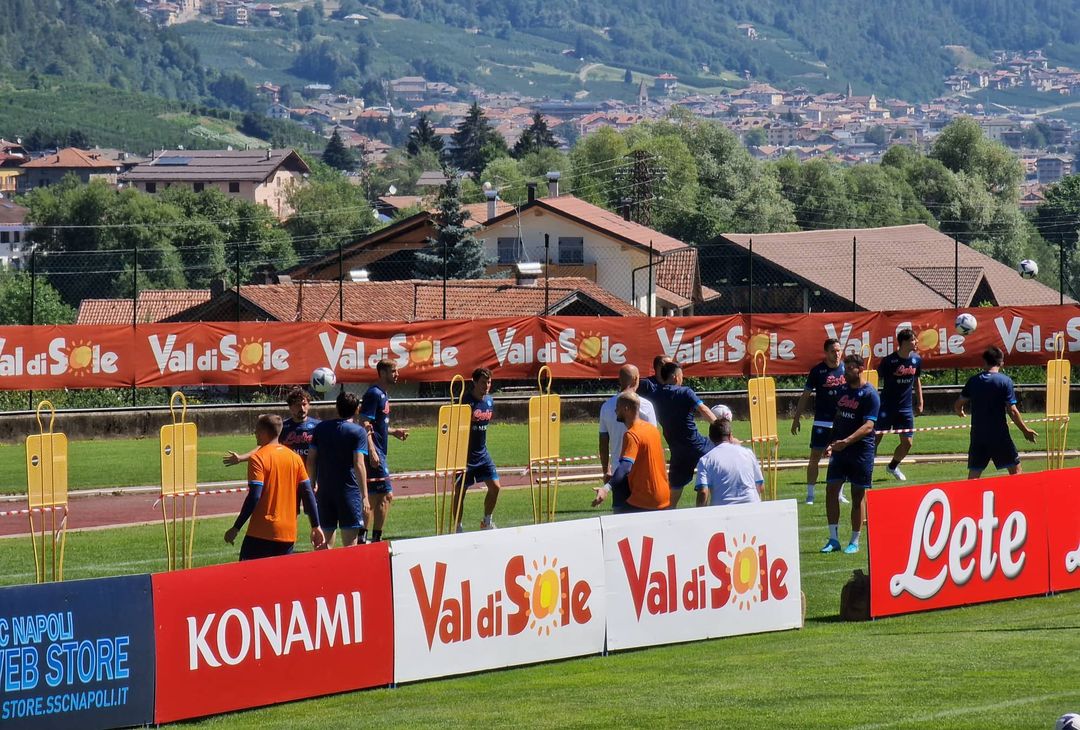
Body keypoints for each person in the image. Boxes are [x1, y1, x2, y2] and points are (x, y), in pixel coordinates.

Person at [224, 414, 324, 560]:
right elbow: (308, 493)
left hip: (261, 532)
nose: (255, 434)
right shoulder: (295, 458)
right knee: (279, 580)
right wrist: (316, 525)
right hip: (288, 533)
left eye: (257, 430)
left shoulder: (257, 458)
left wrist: (236, 527)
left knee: (248, 578)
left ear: (264, 432)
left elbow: (254, 496)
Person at [821, 353, 880, 555]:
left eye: (849, 369)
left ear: (860, 369)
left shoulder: (870, 394)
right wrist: (831, 443)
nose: (845, 373)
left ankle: (854, 540)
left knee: (857, 495)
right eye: (844, 368)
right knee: (831, 489)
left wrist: (846, 442)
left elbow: (868, 426)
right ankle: (833, 539)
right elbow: (838, 419)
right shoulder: (842, 391)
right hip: (839, 449)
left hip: (860, 450)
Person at [956, 346, 1037, 479]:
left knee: (974, 475)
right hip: (999, 435)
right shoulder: (1005, 381)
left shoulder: (973, 381)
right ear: (1001, 363)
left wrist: (960, 411)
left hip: (978, 435)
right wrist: (1025, 430)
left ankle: (969, 499)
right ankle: (1016, 499)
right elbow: (1012, 410)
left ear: (984, 362)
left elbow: (958, 403)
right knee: (1016, 471)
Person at [306, 392, 369, 547]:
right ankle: (348, 571)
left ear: (336, 407)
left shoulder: (321, 428)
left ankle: (324, 571)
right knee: (350, 546)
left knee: (324, 544)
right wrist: (365, 495)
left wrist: (312, 482)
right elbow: (359, 463)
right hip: (349, 492)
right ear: (357, 410)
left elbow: (311, 459)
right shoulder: (358, 432)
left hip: (325, 492)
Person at [592, 391, 671, 513]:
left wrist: (606, 488)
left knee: (619, 518)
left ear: (626, 409)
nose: (615, 411)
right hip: (664, 495)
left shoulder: (631, 435)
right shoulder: (651, 429)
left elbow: (625, 467)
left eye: (617, 408)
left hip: (647, 498)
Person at [651, 360, 717, 507]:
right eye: (681, 376)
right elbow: (704, 410)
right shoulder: (685, 392)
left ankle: (668, 519)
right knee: (720, 456)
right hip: (697, 445)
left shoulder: (655, 395)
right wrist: (723, 429)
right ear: (675, 377)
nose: (682, 379)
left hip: (677, 451)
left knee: (674, 490)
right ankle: (706, 510)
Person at [791, 338, 847, 505]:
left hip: (842, 422)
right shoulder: (817, 371)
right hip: (822, 422)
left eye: (838, 350)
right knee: (815, 457)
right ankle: (810, 495)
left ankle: (839, 494)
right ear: (826, 353)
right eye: (833, 351)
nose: (836, 354)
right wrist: (796, 418)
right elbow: (805, 396)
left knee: (839, 458)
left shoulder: (846, 369)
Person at [358, 359, 409, 542]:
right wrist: (371, 450)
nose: (397, 374)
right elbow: (364, 422)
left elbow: (377, 424)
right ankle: (374, 539)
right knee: (386, 495)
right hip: (375, 451)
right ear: (382, 373)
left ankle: (364, 538)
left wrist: (393, 431)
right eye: (393, 371)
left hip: (378, 450)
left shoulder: (383, 394)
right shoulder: (374, 394)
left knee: (374, 497)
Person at [452, 367, 501, 532]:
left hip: (483, 454)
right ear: (474, 382)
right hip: (464, 456)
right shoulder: (465, 402)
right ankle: (457, 527)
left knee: (495, 487)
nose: (486, 386)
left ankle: (486, 521)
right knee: (460, 493)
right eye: (482, 382)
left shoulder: (489, 401)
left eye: (488, 382)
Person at [222, 386, 319, 465]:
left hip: (313, 477)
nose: (302, 408)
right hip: (290, 475)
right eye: (298, 405)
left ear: (309, 405)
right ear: (290, 407)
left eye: (304, 404)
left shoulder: (318, 426)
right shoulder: (282, 427)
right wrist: (241, 458)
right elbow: (264, 447)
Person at [875, 328, 923, 481]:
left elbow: (917, 380)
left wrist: (920, 401)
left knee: (907, 442)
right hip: (886, 407)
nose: (916, 342)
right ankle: (863, 469)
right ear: (904, 342)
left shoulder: (916, 359)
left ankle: (893, 466)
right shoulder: (889, 361)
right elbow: (875, 380)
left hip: (905, 408)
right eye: (913, 340)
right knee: (874, 439)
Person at [600, 364, 657, 481]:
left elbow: (603, 442)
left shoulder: (606, 407)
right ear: (636, 379)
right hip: (642, 471)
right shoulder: (646, 405)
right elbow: (654, 439)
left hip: (618, 471)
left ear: (620, 380)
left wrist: (606, 470)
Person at [695, 419, 764, 506]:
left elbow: (703, 492)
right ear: (730, 436)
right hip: (751, 506)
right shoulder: (748, 453)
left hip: (722, 510)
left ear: (711, 438)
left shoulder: (705, 460)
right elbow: (760, 486)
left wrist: (701, 514)